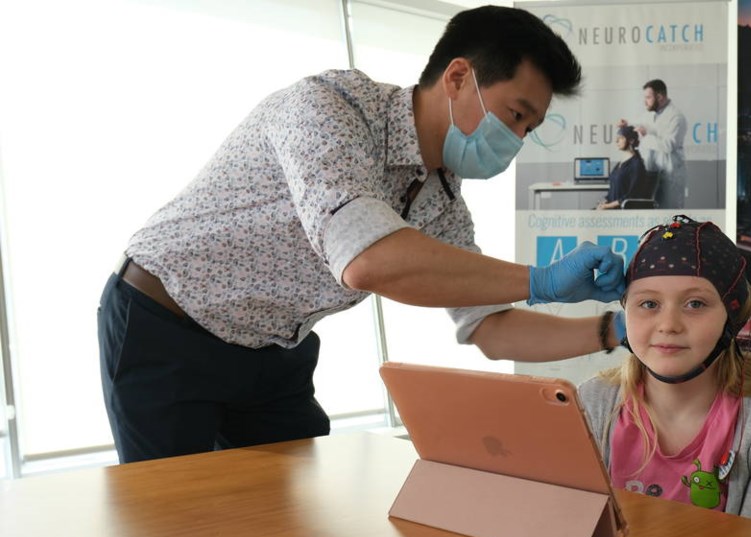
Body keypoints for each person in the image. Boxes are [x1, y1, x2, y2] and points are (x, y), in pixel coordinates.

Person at [98, 5, 629, 463]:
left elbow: (489, 328)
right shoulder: (329, 108)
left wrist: (614, 330)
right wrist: (541, 279)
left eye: (527, 130)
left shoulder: (441, 199)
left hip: (273, 350)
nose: (515, 140)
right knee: (173, 529)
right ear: (459, 77)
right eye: (515, 115)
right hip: (167, 323)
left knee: (284, 527)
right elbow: (368, 259)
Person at [578, 215, 751, 529]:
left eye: (695, 304)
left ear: (732, 317)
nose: (669, 325)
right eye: (649, 303)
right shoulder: (594, 402)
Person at [636, 79, 687, 209]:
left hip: (670, 177)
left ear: (659, 97)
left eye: (648, 97)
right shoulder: (651, 115)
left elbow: (668, 145)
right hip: (652, 176)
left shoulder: (676, 117)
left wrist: (646, 135)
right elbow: (644, 128)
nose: (645, 101)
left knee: (671, 219)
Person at [595, 122, 649, 210]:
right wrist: (605, 201)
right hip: (611, 208)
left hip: (622, 211)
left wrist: (608, 206)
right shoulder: (621, 163)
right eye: (616, 138)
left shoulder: (637, 165)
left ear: (631, 140)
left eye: (620, 138)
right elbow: (613, 190)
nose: (616, 141)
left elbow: (632, 195)